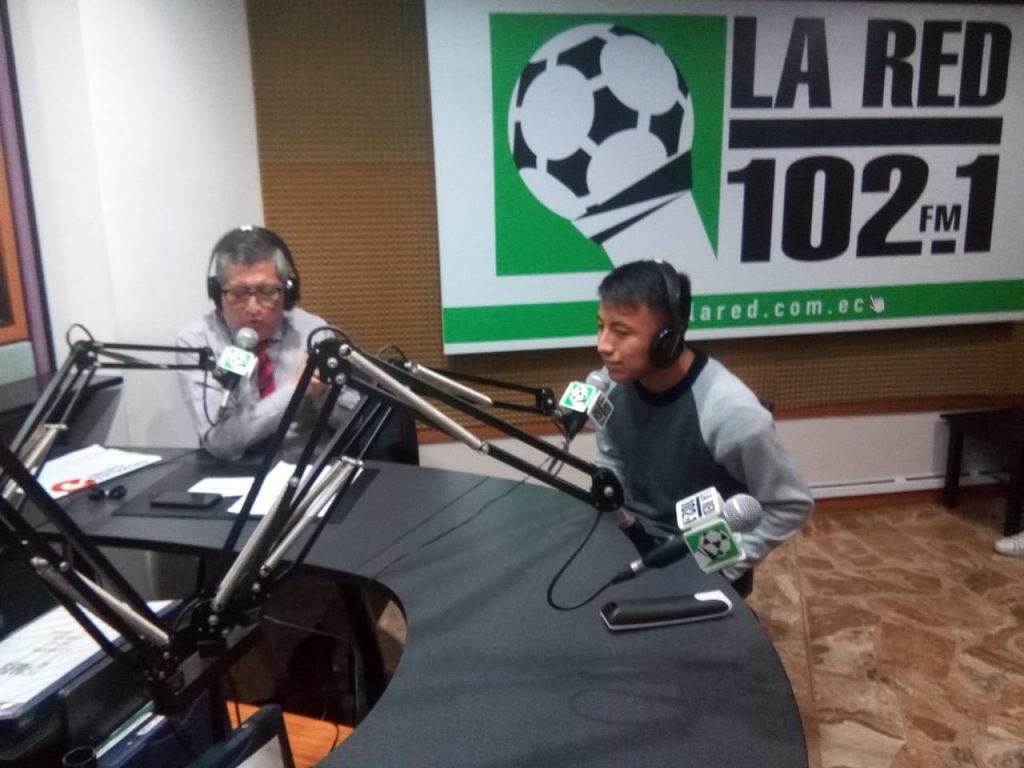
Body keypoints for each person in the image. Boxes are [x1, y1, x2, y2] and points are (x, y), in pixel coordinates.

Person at [593, 260, 813, 597]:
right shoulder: (609, 386)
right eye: (601, 326)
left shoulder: (730, 411)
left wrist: (713, 565)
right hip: (633, 542)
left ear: (667, 340)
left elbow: (790, 504)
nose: (603, 345)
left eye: (621, 332)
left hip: (700, 559)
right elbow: (611, 457)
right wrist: (614, 531)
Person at [176, 226, 362, 461]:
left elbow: (355, 423)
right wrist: (296, 389)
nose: (253, 307)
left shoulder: (312, 332)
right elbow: (219, 442)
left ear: (287, 292)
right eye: (239, 293)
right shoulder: (198, 341)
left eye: (266, 291)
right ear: (218, 294)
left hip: (306, 470)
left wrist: (323, 393)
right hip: (232, 474)